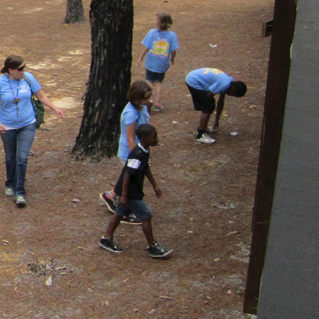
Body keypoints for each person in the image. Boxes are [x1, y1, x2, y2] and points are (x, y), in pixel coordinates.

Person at [0, 56, 66, 207]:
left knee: (22, 158)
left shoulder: (28, 78)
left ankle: (19, 191)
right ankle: (10, 182)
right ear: (11, 70)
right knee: (10, 157)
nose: (23, 71)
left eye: (24, 67)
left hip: (28, 124)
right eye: (20, 69)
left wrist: (55, 108)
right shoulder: (0, 83)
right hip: (7, 126)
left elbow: (40, 95)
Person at [98, 124, 172, 259]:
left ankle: (106, 239)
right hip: (130, 191)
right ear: (144, 139)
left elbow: (145, 168)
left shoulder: (145, 150)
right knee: (146, 215)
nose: (156, 139)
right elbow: (127, 174)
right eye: (154, 137)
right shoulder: (137, 154)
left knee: (120, 212)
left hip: (131, 190)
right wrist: (125, 195)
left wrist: (154, 185)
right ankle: (152, 246)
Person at [100, 81, 153, 212]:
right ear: (136, 97)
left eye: (149, 97)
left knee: (128, 177)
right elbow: (130, 138)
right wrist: (136, 156)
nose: (148, 100)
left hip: (137, 149)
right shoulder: (131, 114)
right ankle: (121, 204)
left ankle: (110, 196)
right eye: (145, 98)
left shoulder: (142, 107)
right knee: (130, 180)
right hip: (129, 152)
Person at [184, 68, 247, 144]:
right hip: (193, 80)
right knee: (208, 107)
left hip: (194, 76)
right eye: (233, 95)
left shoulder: (228, 83)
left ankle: (204, 127)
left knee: (209, 105)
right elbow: (209, 95)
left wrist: (216, 121)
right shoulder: (224, 84)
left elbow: (220, 102)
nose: (231, 95)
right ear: (233, 89)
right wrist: (207, 106)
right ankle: (200, 135)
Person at [137, 13, 179, 112]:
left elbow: (147, 46)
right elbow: (173, 50)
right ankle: (157, 103)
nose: (154, 21)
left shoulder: (152, 33)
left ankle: (147, 100)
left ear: (159, 22)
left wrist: (140, 57)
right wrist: (172, 59)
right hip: (162, 64)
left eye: (155, 20)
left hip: (151, 62)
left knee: (149, 81)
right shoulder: (172, 35)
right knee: (159, 82)